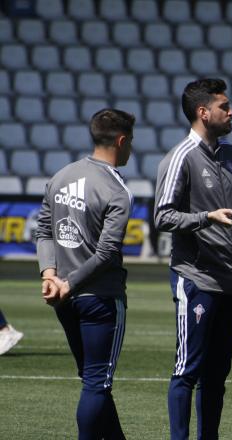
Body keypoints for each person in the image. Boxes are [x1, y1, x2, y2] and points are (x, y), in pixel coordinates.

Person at [154, 78, 232, 439]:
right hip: (196, 278)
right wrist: (204, 218)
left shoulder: (231, 155)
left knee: (217, 374)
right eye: (224, 106)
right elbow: (162, 216)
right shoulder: (180, 157)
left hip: (230, 281)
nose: (231, 111)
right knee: (187, 369)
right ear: (202, 112)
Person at [35, 108, 135, 439]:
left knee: (93, 379)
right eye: (130, 141)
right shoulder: (117, 190)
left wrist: (50, 275)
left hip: (64, 300)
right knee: (97, 382)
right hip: (99, 298)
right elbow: (107, 253)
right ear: (122, 141)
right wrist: (68, 281)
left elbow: (44, 230)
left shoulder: (61, 176)